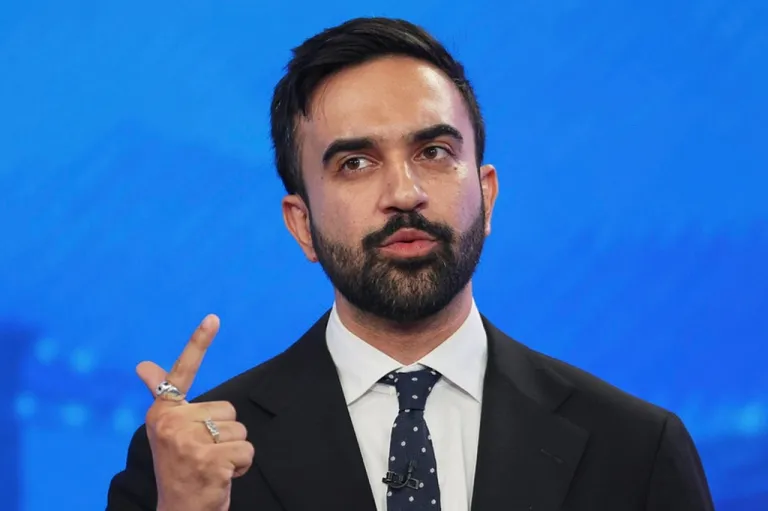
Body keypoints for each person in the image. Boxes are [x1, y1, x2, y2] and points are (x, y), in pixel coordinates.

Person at [106, 17, 715, 511]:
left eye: (433, 151)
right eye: (355, 163)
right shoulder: (185, 464)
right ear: (301, 225)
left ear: (488, 194)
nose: (404, 192)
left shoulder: (636, 449)